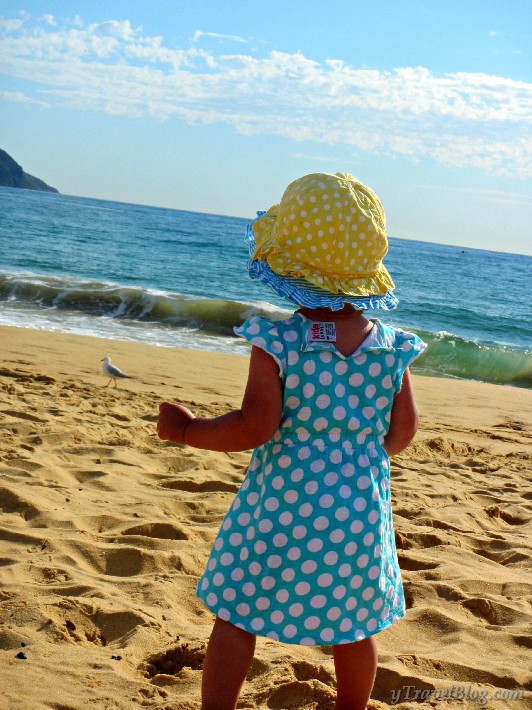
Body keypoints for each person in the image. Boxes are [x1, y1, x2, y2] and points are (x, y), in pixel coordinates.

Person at [157, 172, 426, 710]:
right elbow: (402, 433)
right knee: (354, 625)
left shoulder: (279, 341)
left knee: (237, 612)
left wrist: (189, 431)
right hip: (358, 508)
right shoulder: (393, 348)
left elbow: (254, 427)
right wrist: (357, 458)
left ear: (289, 266)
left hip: (282, 501)